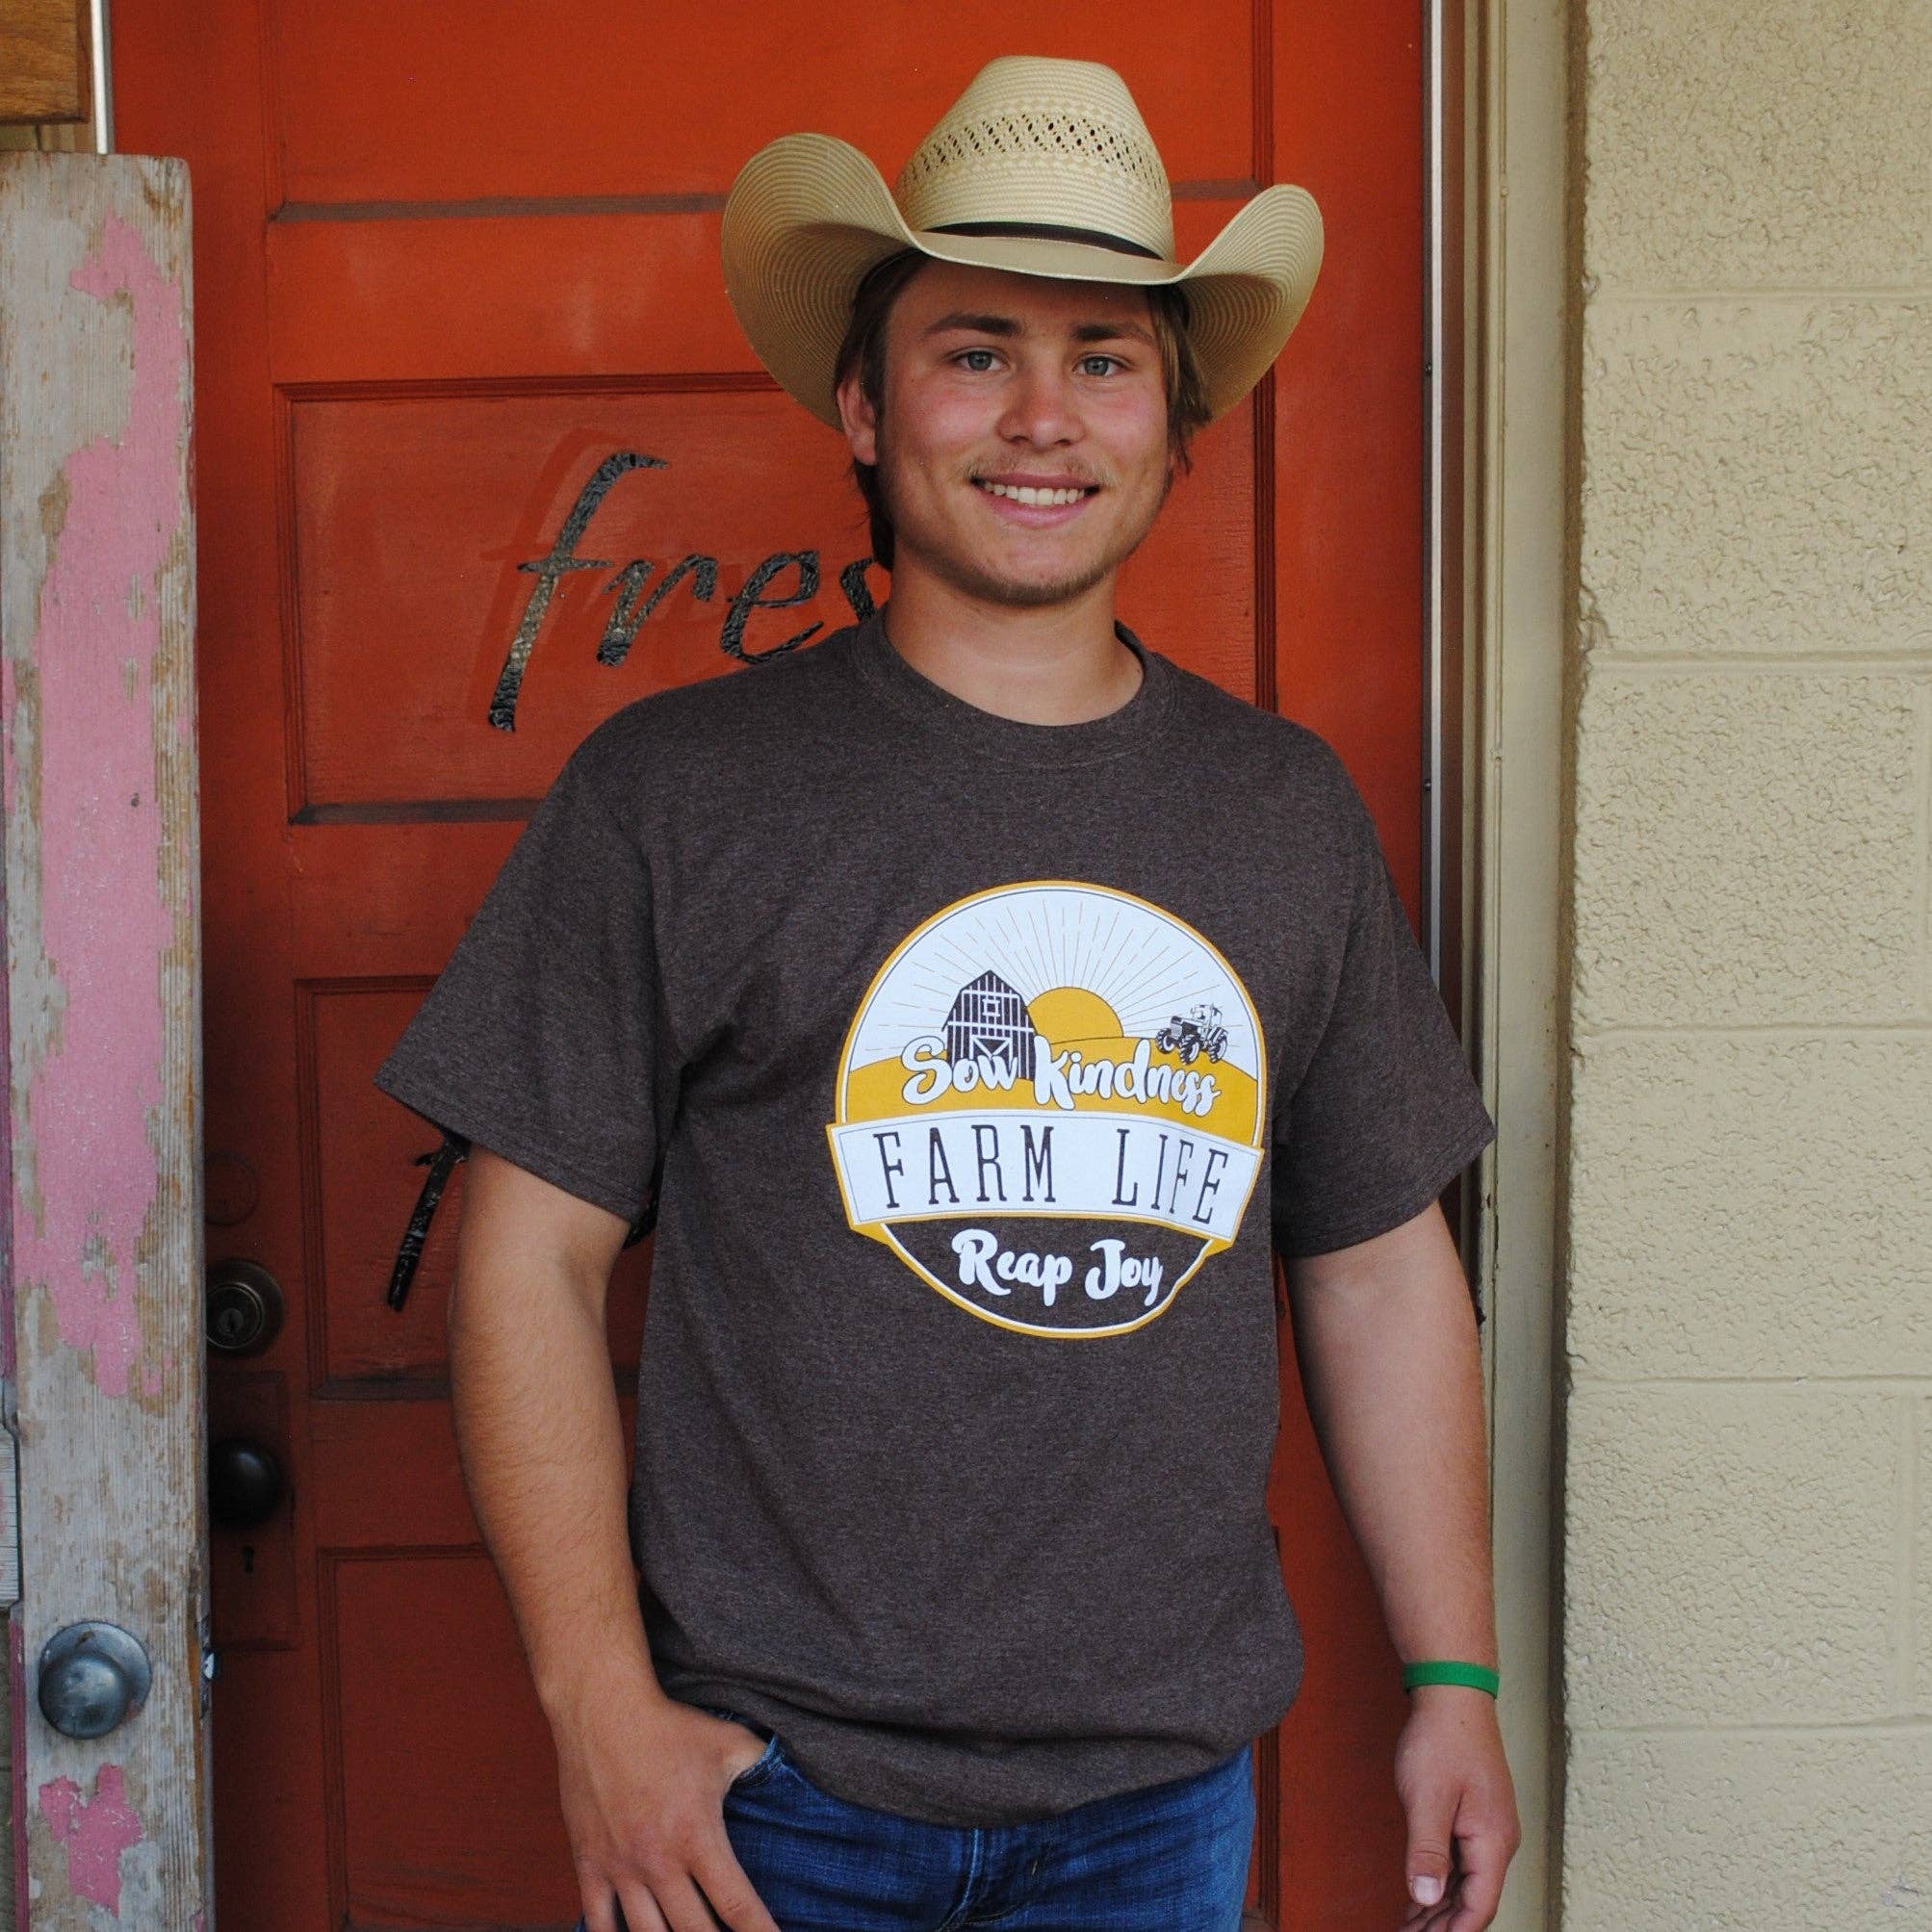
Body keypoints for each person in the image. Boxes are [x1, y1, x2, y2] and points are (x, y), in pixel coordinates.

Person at [374, 53, 1521, 1932]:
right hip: (768, 1800)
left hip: (1159, 1803)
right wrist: (594, 1708)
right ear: (863, 399)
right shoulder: (677, 793)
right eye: (975, 351)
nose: (1042, 418)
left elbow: (1380, 1268)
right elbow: (529, 1259)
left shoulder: (1281, 813)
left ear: (1176, 422)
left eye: (1105, 359)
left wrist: (1452, 1675)